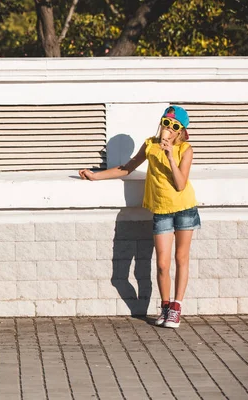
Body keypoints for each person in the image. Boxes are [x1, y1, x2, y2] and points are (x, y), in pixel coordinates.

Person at [79, 106, 199, 329]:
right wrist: (95, 176)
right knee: (162, 264)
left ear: (181, 130)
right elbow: (127, 168)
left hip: (184, 209)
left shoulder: (185, 149)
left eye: (174, 126)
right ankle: (165, 306)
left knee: (181, 258)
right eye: (166, 122)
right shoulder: (150, 145)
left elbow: (180, 184)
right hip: (161, 210)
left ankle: (176, 307)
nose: (168, 129)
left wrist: (171, 156)